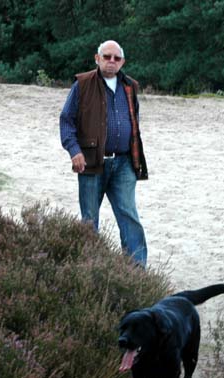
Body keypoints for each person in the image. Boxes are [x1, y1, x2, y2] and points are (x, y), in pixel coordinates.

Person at [59, 40, 148, 267]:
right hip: (91, 163)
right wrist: (74, 151)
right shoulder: (82, 84)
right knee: (90, 221)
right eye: (107, 56)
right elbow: (66, 121)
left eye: (116, 58)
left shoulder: (130, 86)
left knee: (129, 217)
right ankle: (90, 268)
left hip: (124, 163)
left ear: (122, 62)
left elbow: (134, 122)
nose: (111, 61)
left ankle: (137, 272)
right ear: (97, 58)